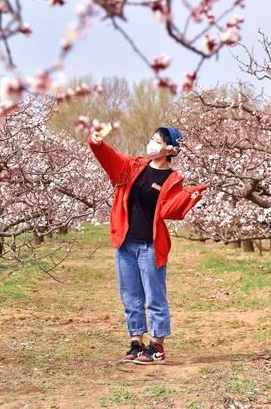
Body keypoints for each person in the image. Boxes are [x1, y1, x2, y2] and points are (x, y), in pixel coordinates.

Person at [87, 125, 207, 365]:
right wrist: (96, 143)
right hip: (126, 244)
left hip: (150, 246)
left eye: (159, 141)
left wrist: (195, 193)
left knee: (155, 298)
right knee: (130, 297)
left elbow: (174, 210)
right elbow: (109, 159)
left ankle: (157, 346)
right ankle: (136, 344)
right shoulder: (134, 168)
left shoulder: (173, 181)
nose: (152, 144)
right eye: (152, 138)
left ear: (171, 149)